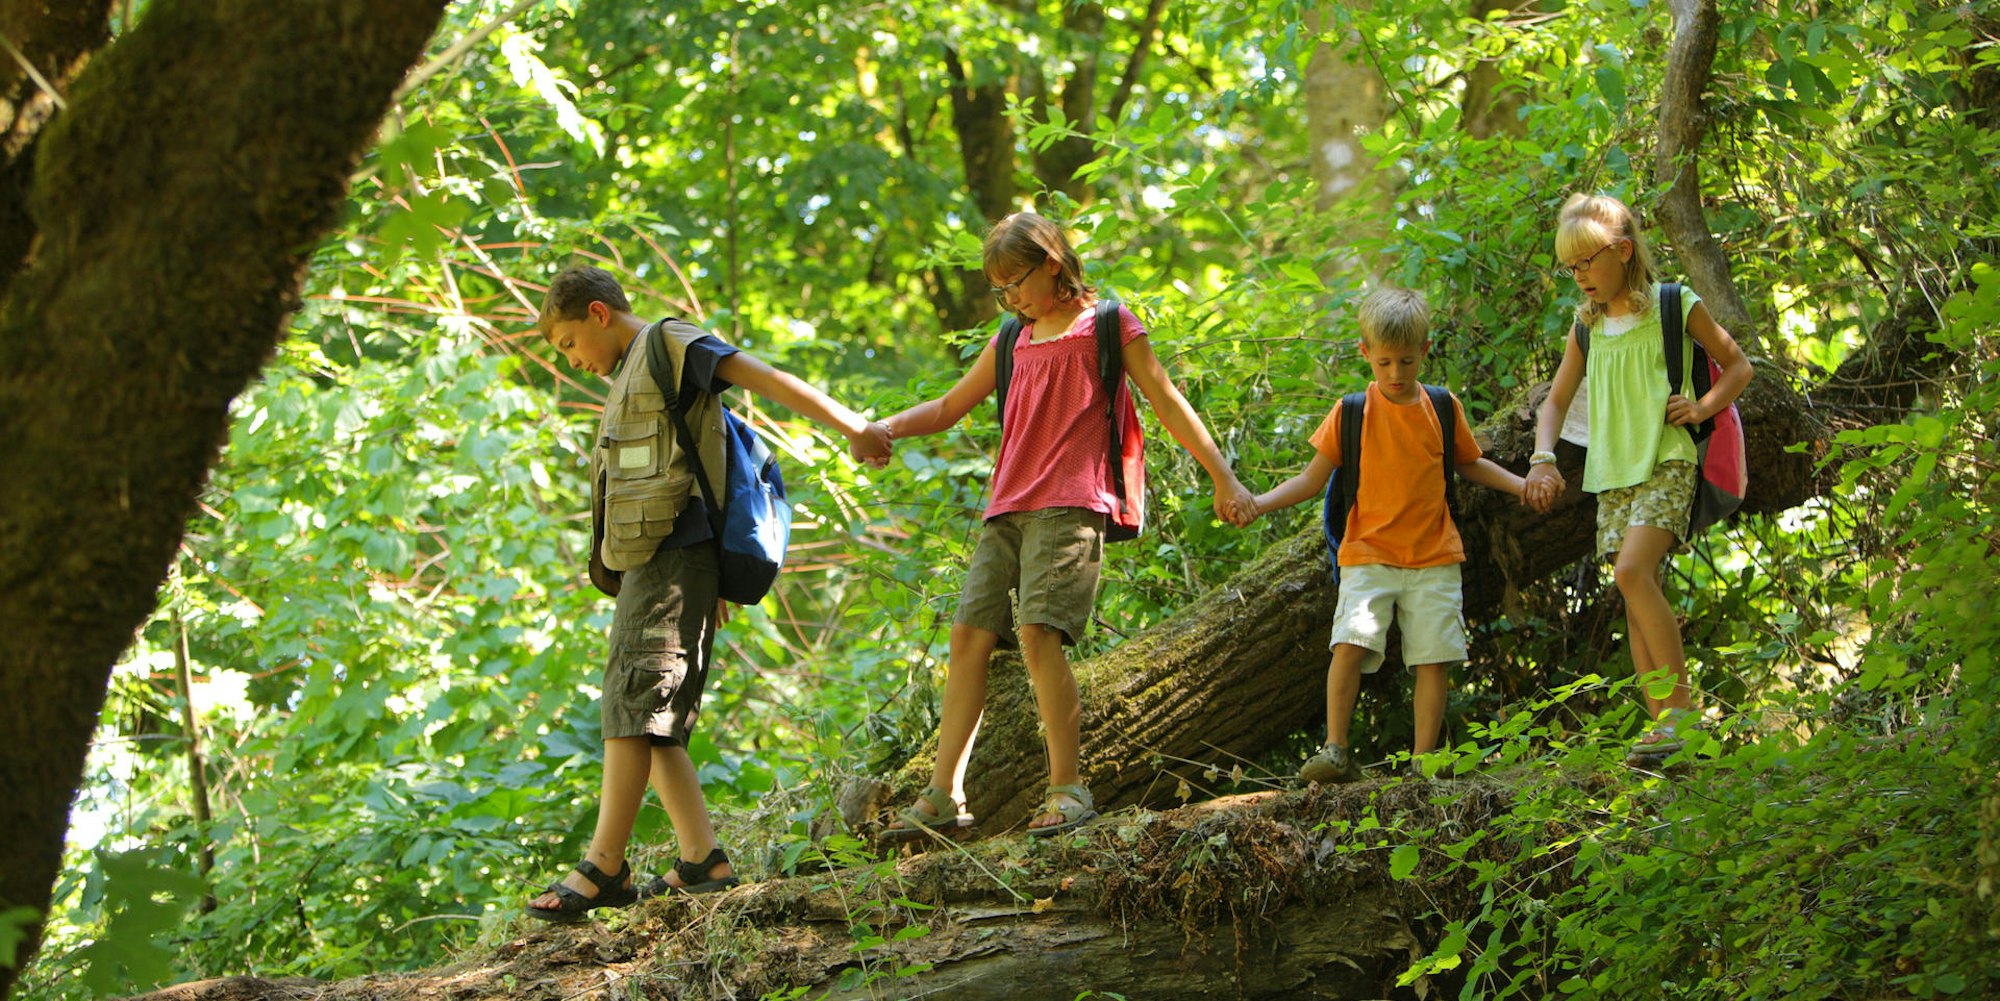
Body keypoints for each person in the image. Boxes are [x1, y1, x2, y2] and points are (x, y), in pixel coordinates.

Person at [870, 211, 1256, 837]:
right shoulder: (1011, 339)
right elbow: (947, 407)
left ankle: (1068, 790)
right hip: (1007, 507)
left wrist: (1224, 477)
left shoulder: (1108, 325)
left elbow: (1166, 400)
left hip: (1072, 500)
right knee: (968, 638)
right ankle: (944, 795)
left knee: (1037, 635)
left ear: (1053, 261)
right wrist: (885, 428)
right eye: (1000, 289)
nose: (1011, 297)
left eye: (1016, 281)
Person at [526, 265, 892, 921]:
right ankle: (702, 859)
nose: (574, 361)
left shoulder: (669, 345)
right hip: (654, 563)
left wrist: (852, 424)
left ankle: (605, 865)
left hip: (673, 557)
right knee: (648, 709)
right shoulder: (629, 375)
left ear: (599, 314)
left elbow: (764, 378)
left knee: (635, 701)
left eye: (569, 343)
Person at [1235, 287, 1527, 782]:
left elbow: (1470, 462)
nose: (1396, 374)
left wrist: (1524, 485)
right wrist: (1257, 504)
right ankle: (1336, 750)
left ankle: (1424, 761)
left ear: (1425, 352)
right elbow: (1311, 480)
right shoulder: (1352, 412)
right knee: (1349, 644)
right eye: (1386, 362)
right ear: (1365, 353)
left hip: (1435, 555)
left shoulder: (1440, 406)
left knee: (1433, 658)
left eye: (1407, 362)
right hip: (1367, 554)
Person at [1521, 194, 1752, 764]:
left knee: (1632, 570)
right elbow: (1553, 404)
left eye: (1587, 262)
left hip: (1668, 458)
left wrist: (1700, 408)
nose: (1580, 277)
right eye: (1570, 267)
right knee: (1631, 589)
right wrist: (1543, 456)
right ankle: (1662, 731)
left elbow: (1739, 365)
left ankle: (1682, 718)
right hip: (1612, 473)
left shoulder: (1673, 305)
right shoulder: (1587, 329)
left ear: (1623, 251)